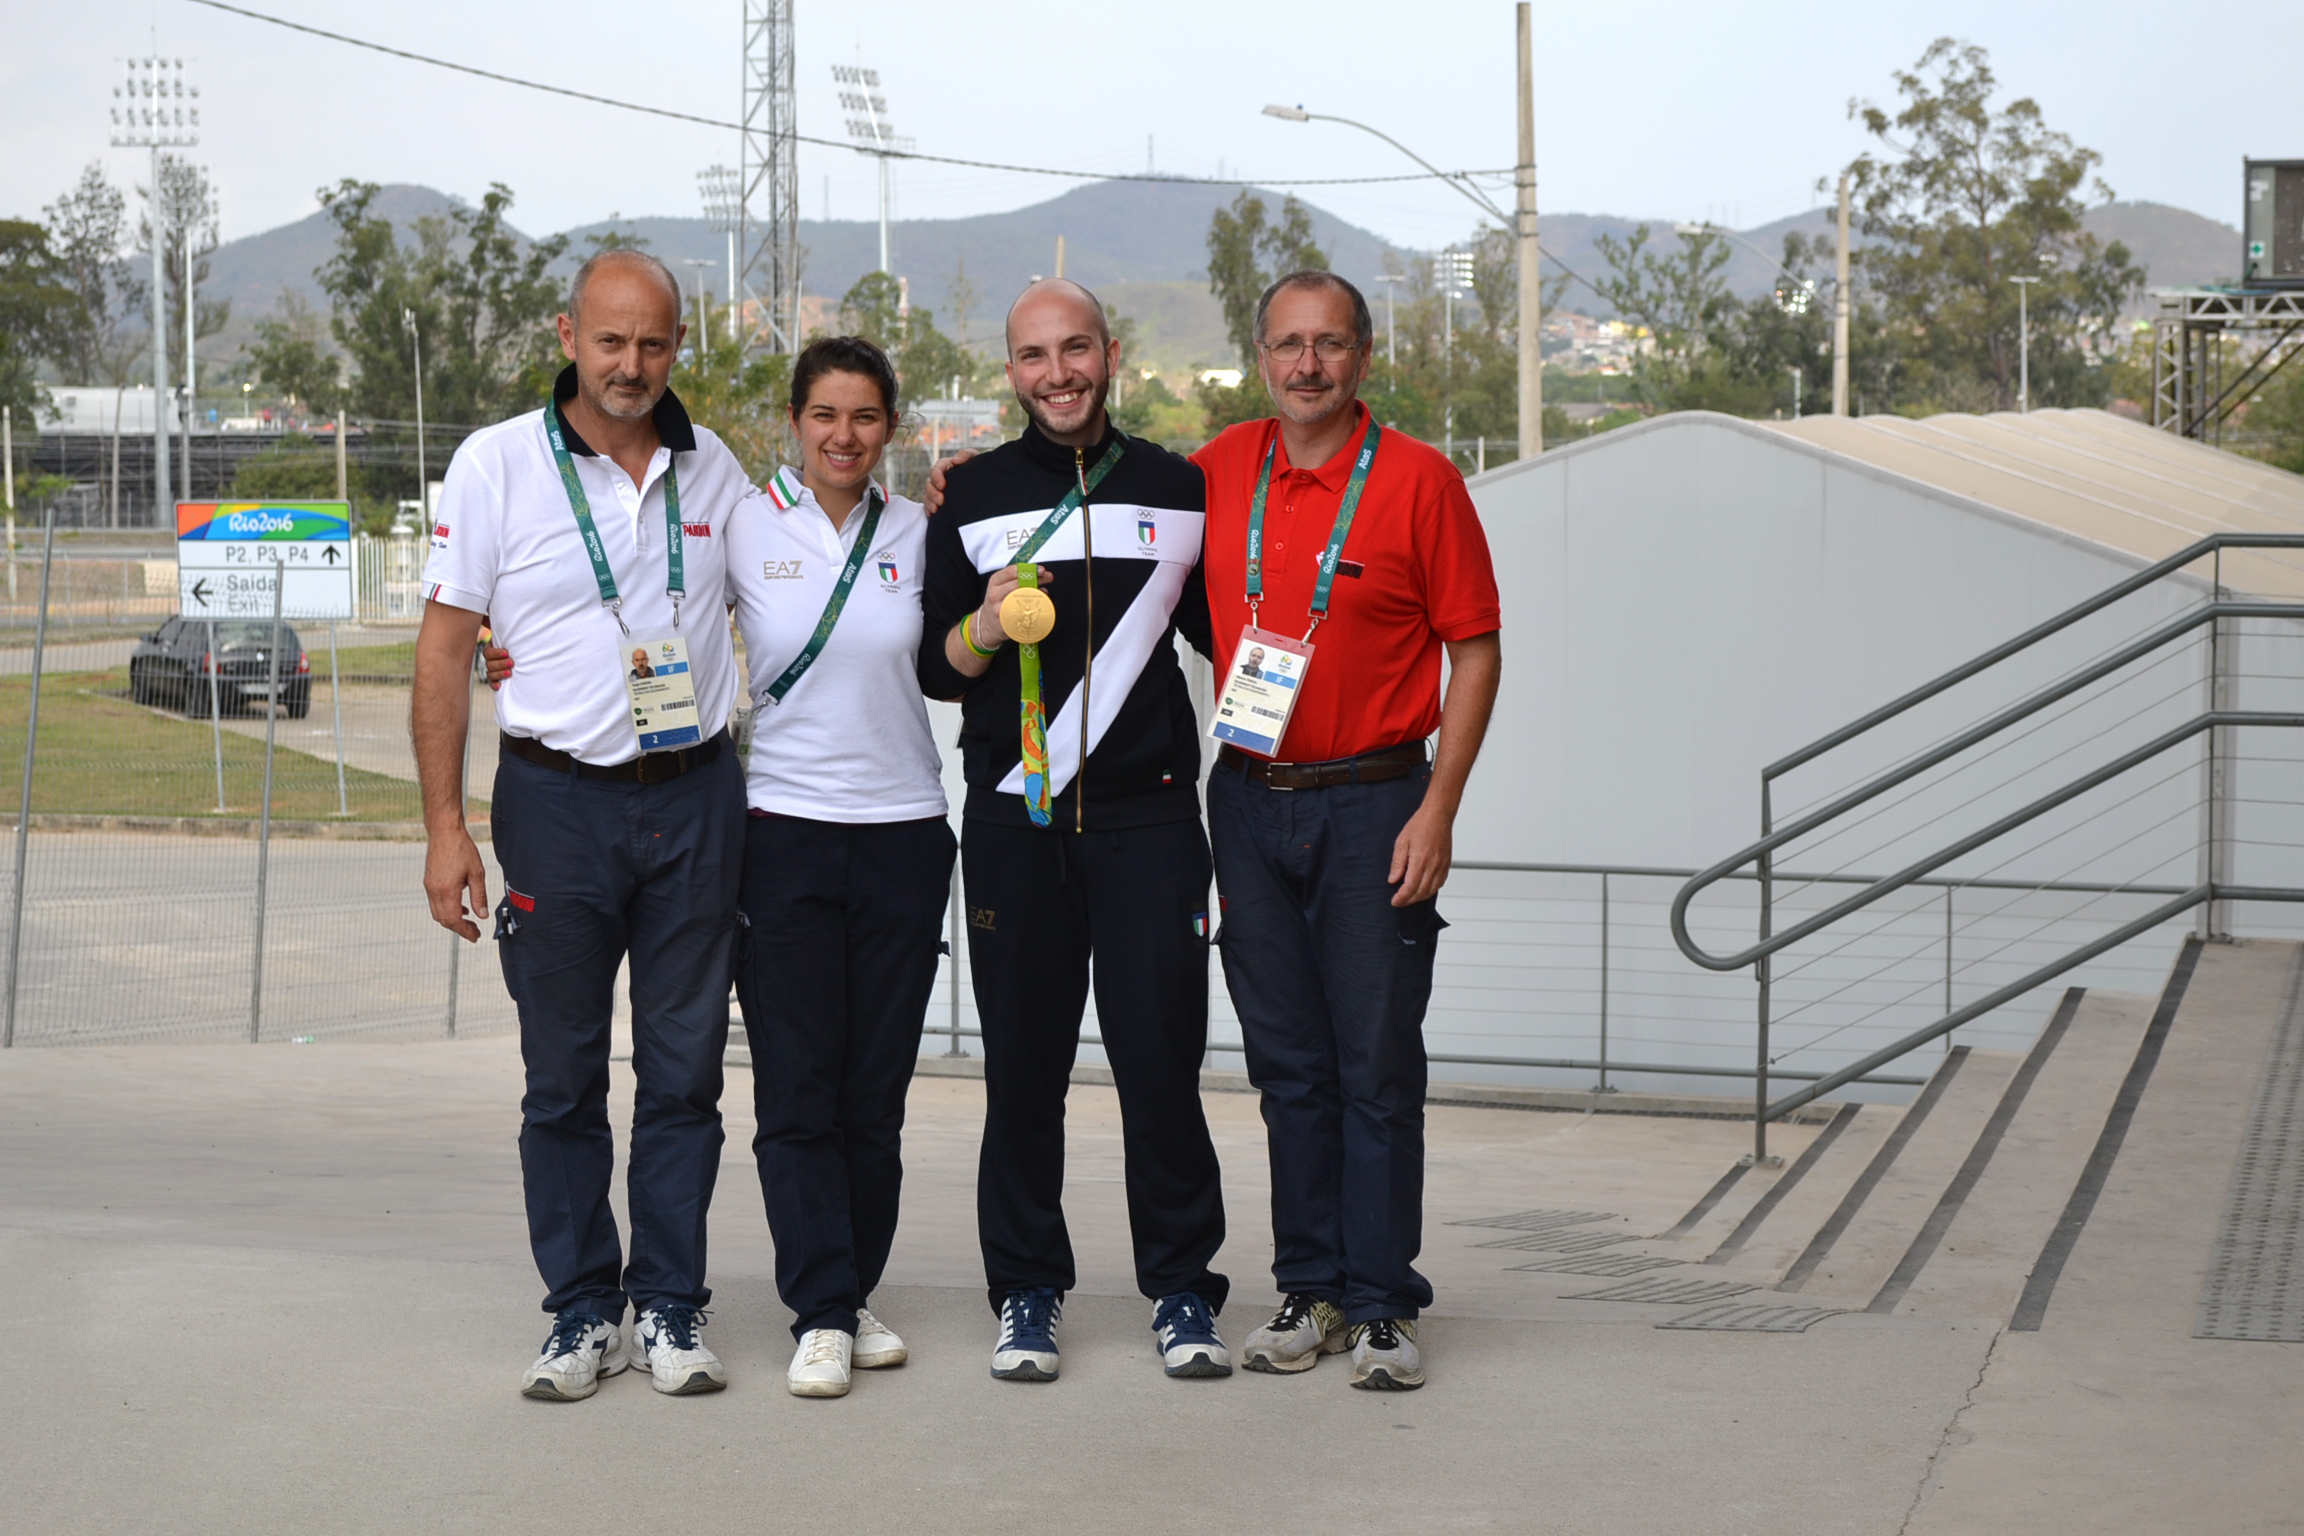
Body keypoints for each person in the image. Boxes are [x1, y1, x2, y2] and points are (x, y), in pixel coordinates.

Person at [481, 337, 954, 1401]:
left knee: (866, 1093)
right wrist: (496, 648)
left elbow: (957, 636)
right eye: (824, 414)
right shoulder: (741, 509)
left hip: (903, 827)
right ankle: (795, 1307)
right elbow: (624, 581)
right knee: (785, 1087)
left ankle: (832, 1292)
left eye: (866, 416)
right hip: (774, 822)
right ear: (794, 420)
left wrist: (958, 497)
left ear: (893, 427)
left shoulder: (921, 529)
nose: (843, 435)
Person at [413, 248, 750, 1404]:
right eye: (611, 341)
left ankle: (668, 1305)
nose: (632, 365)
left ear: (678, 347)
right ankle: (579, 1311)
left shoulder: (717, 472)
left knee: (684, 1076)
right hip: (554, 805)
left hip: (697, 800)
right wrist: (445, 828)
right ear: (569, 336)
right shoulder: (495, 463)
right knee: (560, 1080)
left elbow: (806, 569)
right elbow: (448, 652)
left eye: (654, 343)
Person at [918, 278, 1233, 1383]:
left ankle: (1185, 1290)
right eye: (1034, 356)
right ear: (1011, 371)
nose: (1057, 373)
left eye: (1076, 350)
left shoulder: (1178, 488)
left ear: (1112, 354)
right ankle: (1027, 1293)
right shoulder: (967, 495)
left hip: (1151, 825)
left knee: (1162, 1071)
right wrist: (982, 620)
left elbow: (1227, 643)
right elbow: (936, 669)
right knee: (1023, 1076)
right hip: (1014, 826)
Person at [1197, 272, 1501, 1391]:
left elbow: (1476, 650)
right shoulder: (1222, 469)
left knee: (1376, 1064)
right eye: (1288, 345)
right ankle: (1309, 1287)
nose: (1307, 365)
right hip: (1247, 795)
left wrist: (1440, 806)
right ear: (1260, 356)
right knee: (1288, 1068)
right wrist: (954, 493)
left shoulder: (1421, 481)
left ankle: (1380, 1302)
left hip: (1379, 800)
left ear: (1363, 357)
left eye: (1329, 345)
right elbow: (1108, 520)